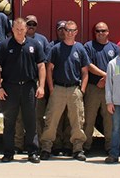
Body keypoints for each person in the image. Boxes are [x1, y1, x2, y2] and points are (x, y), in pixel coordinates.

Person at [0, 18, 45, 163]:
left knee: (30, 121)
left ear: (26, 30)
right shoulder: (4, 45)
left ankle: (33, 152)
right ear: (13, 29)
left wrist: (41, 86)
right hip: (10, 88)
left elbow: (41, 66)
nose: (20, 32)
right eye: (17, 29)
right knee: (9, 122)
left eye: (22, 29)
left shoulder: (34, 45)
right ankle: (8, 153)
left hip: (29, 87)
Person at [39, 21, 90, 161]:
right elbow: (49, 69)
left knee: (77, 121)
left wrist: (82, 90)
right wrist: (51, 88)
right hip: (58, 89)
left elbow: (85, 72)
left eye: (72, 30)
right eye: (67, 30)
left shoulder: (80, 49)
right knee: (51, 121)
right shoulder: (56, 48)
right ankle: (46, 148)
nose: (69, 33)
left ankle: (78, 149)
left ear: (76, 32)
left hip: (74, 89)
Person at [14, 15, 51, 153]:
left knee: (36, 116)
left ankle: (37, 145)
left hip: (34, 83)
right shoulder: (14, 41)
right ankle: (18, 145)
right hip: (17, 84)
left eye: (34, 24)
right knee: (18, 117)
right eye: (28, 23)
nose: (31, 26)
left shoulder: (41, 41)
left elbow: (44, 64)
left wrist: (42, 85)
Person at [83, 22, 120, 155]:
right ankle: (85, 146)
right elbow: (88, 64)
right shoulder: (88, 46)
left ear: (108, 31)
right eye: (98, 31)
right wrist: (104, 75)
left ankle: (110, 147)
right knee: (89, 118)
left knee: (109, 119)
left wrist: (105, 79)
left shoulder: (114, 48)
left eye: (103, 31)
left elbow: (118, 66)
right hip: (92, 88)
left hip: (109, 88)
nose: (100, 33)